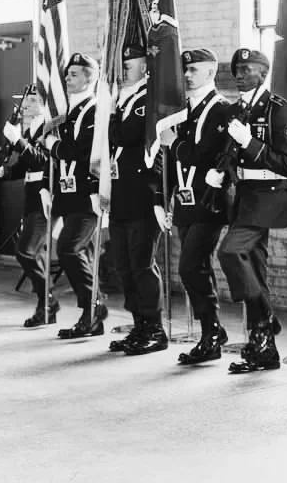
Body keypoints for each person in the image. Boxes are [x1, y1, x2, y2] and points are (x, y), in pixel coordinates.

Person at [210, 48, 287, 374]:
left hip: (268, 197)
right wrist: (223, 170)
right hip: (243, 196)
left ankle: (264, 320)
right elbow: (231, 154)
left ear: (263, 73)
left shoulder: (279, 110)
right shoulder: (236, 109)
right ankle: (264, 349)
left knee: (230, 252)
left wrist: (250, 142)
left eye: (247, 69)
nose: (239, 74)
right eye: (237, 69)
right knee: (256, 270)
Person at [159, 48, 231, 365]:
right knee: (197, 267)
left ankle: (212, 333)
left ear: (211, 72)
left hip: (209, 201)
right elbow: (176, 162)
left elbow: (202, 154)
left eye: (194, 70)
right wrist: (169, 198)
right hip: (186, 201)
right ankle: (212, 331)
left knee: (189, 266)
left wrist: (173, 142)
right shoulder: (182, 109)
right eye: (184, 70)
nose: (187, 75)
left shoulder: (222, 109)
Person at [107, 44, 169, 356]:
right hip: (121, 194)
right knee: (124, 266)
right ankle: (139, 325)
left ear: (145, 67)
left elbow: (125, 135)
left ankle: (155, 329)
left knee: (143, 265)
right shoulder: (124, 99)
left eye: (128, 64)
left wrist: (113, 112)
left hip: (143, 194)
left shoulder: (147, 99)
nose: (122, 71)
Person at [45, 52, 106, 340]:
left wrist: (53, 145)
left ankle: (94, 305)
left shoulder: (94, 111)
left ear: (91, 78)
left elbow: (80, 151)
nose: (68, 79)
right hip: (69, 194)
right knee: (81, 252)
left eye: (74, 74)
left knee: (69, 248)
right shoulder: (67, 112)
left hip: (87, 195)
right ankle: (91, 317)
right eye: (67, 74)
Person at [0, 86, 58, 327]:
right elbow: (26, 166)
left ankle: (48, 300)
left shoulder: (51, 125)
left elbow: (44, 161)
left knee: (26, 251)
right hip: (31, 196)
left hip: (45, 196)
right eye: (25, 99)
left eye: (33, 99)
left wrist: (17, 141)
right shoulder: (31, 128)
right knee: (29, 251)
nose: (26, 104)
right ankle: (45, 303)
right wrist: (4, 172)